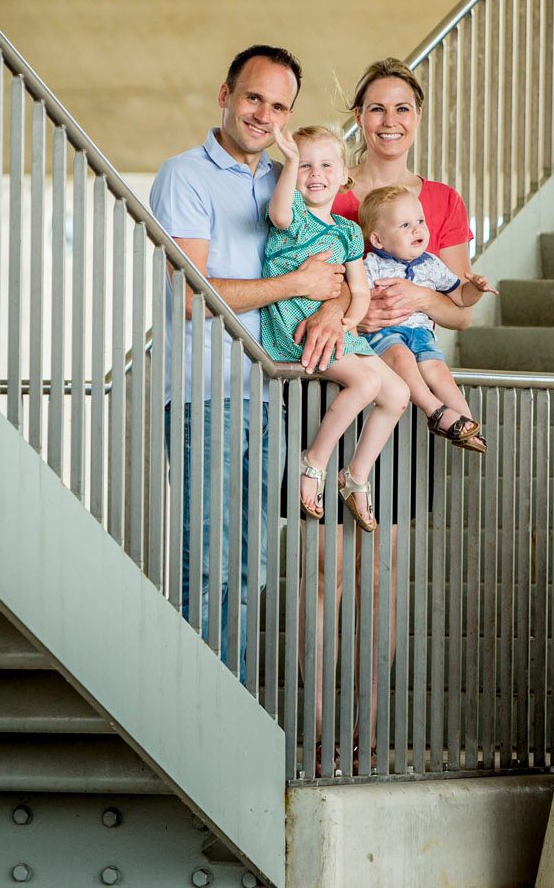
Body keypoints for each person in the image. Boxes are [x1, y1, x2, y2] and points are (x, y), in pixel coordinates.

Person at [147, 44, 348, 667]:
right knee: (206, 559)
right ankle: (187, 708)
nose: (264, 114)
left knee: (252, 563)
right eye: (254, 97)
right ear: (225, 95)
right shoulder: (185, 175)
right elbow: (190, 295)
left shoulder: (289, 179)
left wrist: (334, 307)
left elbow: (334, 273)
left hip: (270, 395)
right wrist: (297, 286)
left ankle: (226, 703)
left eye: (279, 106)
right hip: (206, 394)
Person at [258, 124, 410, 531]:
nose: (315, 173)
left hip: (336, 325)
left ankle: (355, 476)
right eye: (305, 166)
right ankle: (315, 464)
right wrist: (289, 160)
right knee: (365, 384)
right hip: (293, 323)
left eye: (326, 165)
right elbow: (279, 210)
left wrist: (345, 323)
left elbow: (358, 291)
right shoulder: (293, 218)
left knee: (398, 393)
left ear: (344, 175)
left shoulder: (346, 231)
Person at [333, 58, 477, 338]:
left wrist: (419, 297)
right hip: (335, 365)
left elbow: (462, 315)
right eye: (377, 109)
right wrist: (354, 315)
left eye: (402, 109)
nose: (390, 121)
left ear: (417, 116)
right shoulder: (329, 189)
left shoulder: (446, 201)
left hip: (413, 365)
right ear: (359, 116)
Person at [358, 182, 495, 452]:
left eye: (420, 220)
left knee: (439, 371)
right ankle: (435, 411)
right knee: (403, 358)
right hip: (385, 334)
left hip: (421, 335)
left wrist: (475, 289)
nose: (417, 229)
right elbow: (356, 298)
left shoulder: (431, 264)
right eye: (405, 225)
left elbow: (460, 298)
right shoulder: (371, 265)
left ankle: (466, 423)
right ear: (377, 240)